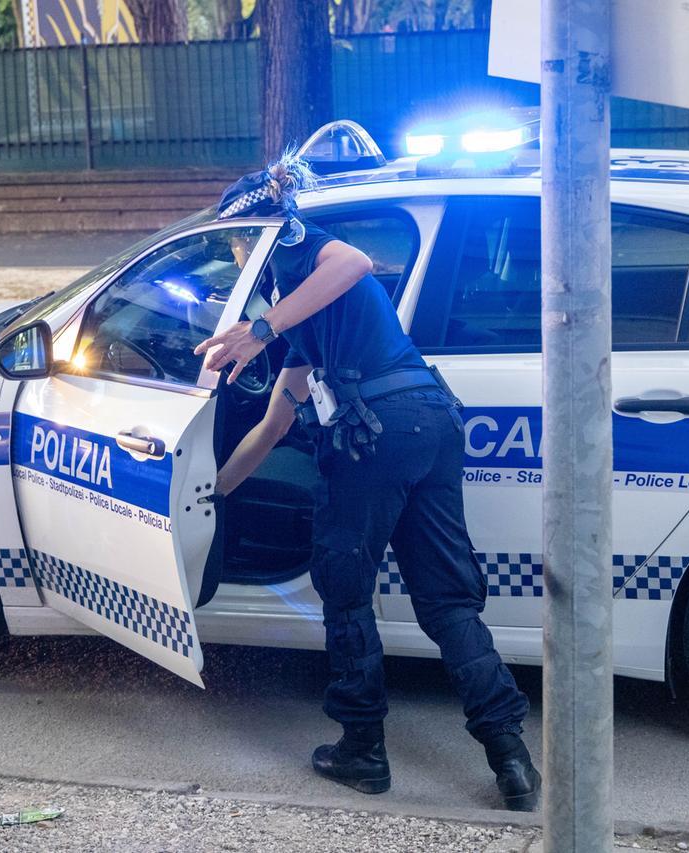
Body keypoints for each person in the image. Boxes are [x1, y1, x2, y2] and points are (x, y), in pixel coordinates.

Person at [193, 153, 540, 811]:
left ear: (259, 233)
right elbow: (272, 424)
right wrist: (214, 491)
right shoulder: (309, 323)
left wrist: (259, 328)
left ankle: (363, 751)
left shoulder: (301, 253)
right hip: (431, 423)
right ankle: (512, 758)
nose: (240, 256)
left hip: (375, 433)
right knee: (448, 601)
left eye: (240, 241)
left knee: (345, 590)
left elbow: (351, 263)